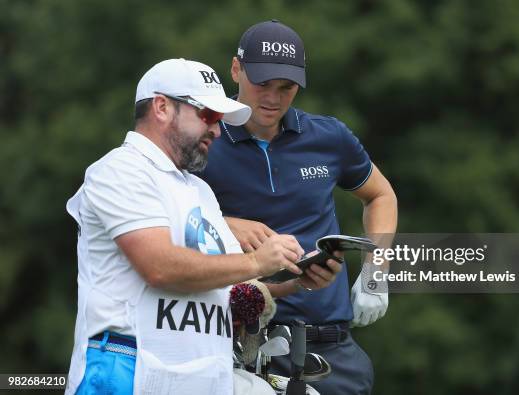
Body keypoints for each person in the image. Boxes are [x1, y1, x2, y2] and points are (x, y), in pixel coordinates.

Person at [64, 58, 315, 395]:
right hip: (129, 369)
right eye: (208, 115)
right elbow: (160, 267)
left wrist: (298, 278)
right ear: (162, 107)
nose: (216, 130)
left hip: (199, 375)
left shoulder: (200, 190)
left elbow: (227, 285)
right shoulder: (120, 169)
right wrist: (257, 261)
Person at [197, 20, 398, 394]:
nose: (272, 98)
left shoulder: (328, 136)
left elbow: (381, 195)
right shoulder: (204, 139)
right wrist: (222, 224)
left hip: (332, 350)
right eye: (262, 85)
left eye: (286, 88)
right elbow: (161, 220)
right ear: (236, 70)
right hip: (239, 346)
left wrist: (377, 269)